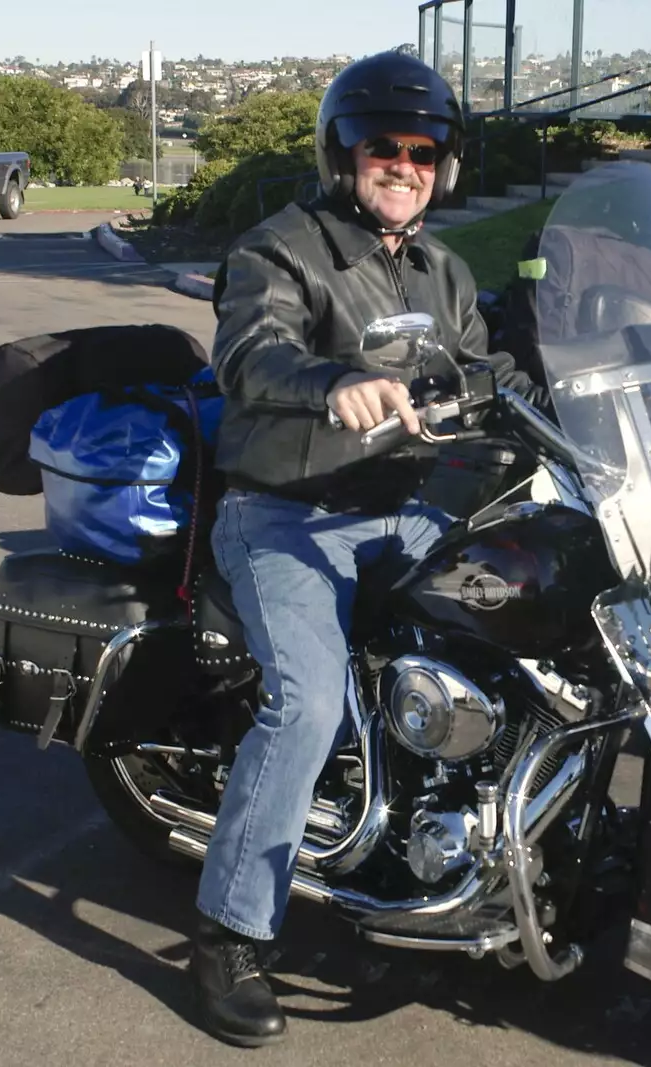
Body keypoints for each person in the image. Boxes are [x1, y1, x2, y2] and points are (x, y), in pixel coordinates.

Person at [189, 50, 543, 1048]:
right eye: (379, 146)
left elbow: (486, 366)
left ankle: (485, 840)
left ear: (444, 164)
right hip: (285, 510)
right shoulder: (280, 248)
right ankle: (229, 932)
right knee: (304, 701)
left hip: (405, 504)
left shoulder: (444, 266)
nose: (402, 164)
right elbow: (249, 350)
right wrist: (326, 383)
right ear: (340, 153)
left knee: (539, 605)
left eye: (421, 150)